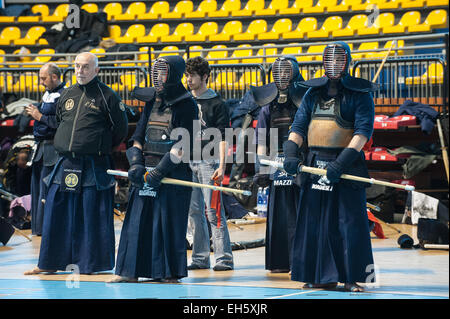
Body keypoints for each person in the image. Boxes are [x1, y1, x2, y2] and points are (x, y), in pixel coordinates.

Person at [283, 42, 377, 292]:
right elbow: (298, 127)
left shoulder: (360, 95)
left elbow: (362, 132)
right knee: (314, 222)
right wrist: (291, 153)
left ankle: (352, 277)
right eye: (329, 59)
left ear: (347, 61)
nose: (334, 64)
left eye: (339, 59)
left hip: (347, 166)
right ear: (323, 62)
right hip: (314, 164)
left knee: (348, 223)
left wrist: (341, 163)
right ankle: (317, 275)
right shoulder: (311, 94)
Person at [24, 52, 128, 275]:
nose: (80, 71)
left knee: (90, 213)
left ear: (97, 70)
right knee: (55, 211)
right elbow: (61, 121)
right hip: (65, 162)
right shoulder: (67, 94)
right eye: (77, 66)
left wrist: (97, 145)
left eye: (86, 67)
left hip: (93, 164)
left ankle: (90, 264)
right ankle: (48, 263)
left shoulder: (107, 96)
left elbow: (120, 130)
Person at [108, 55, 198, 283]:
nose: (158, 77)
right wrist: (136, 163)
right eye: (156, 72)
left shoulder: (187, 104)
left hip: (172, 173)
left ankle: (168, 273)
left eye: (163, 72)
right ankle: (129, 272)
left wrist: (160, 171)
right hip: (145, 171)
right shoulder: (151, 101)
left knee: (168, 225)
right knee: (137, 222)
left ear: (174, 75)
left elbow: (183, 145)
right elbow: (138, 137)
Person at [252, 55, 307, 273]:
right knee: (279, 217)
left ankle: (300, 261)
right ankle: (280, 262)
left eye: (287, 72)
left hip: (300, 166)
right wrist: (262, 169)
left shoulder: (305, 102)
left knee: (298, 215)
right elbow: (261, 142)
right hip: (276, 167)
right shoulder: (267, 107)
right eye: (279, 72)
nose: (283, 76)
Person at [184, 56, 233, 271]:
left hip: (209, 162)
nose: (188, 80)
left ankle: (224, 259)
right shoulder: (185, 101)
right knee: (193, 213)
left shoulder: (217, 103)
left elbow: (224, 137)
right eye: (186, 75)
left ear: (204, 76)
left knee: (214, 211)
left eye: (192, 76)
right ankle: (200, 257)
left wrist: (222, 166)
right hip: (188, 161)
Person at [25, 63, 65, 236]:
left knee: (47, 189)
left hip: (53, 148)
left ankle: (49, 228)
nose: (41, 82)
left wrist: (38, 115)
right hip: (40, 148)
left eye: (44, 78)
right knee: (37, 188)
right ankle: (39, 228)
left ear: (54, 77)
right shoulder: (47, 93)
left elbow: (61, 123)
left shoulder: (64, 95)